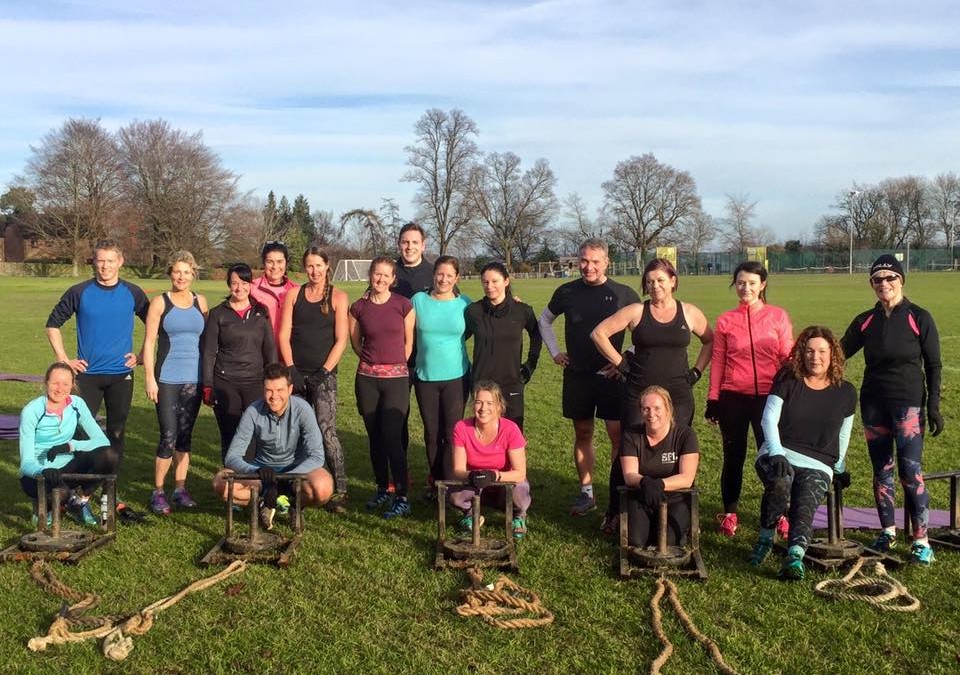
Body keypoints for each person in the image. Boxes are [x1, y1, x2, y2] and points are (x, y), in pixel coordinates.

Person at [591, 258, 713, 534]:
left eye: (660, 280)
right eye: (649, 281)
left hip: (678, 397)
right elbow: (599, 334)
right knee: (628, 450)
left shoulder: (689, 312)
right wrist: (622, 365)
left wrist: (697, 371)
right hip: (639, 394)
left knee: (678, 452)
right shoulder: (636, 311)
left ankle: (675, 513)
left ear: (673, 281)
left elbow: (711, 340)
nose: (655, 285)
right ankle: (615, 512)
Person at [841, 254, 943, 566]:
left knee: (910, 471)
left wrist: (934, 405)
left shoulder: (919, 317)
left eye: (890, 278)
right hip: (874, 403)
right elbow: (838, 353)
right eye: (877, 279)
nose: (884, 284)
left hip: (908, 404)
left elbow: (934, 364)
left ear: (901, 280)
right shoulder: (865, 321)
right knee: (881, 470)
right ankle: (887, 531)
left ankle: (921, 540)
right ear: (871, 284)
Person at [539, 238, 640, 516]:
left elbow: (643, 329)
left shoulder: (624, 293)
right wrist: (556, 352)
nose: (589, 266)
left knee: (618, 437)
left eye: (595, 261)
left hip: (612, 379)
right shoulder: (567, 291)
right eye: (584, 260)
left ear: (607, 262)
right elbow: (544, 320)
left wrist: (625, 359)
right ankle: (587, 494)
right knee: (583, 433)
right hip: (578, 376)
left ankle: (617, 495)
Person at [748, 326, 856, 580]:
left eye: (821, 351)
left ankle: (795, 555)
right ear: (801, 353)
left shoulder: (847, 391)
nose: (815, 357)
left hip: (819, 462)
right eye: (809, 351)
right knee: (781, 483)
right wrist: (776, 453)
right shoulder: (787, 379)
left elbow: (844, 433)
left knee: (805, 501)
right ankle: (765, 538)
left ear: (833, 355)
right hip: (778, 452)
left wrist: (838, 467)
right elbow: (768, 419)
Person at [705, 261, 793, 537]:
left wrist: (791, 392)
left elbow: (787, 356)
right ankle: (730, 513)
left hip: (768, 399)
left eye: (752, 283)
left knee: (772, 457)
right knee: (733, 456)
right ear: (735, 284)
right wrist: (713, 398)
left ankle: (780, 512)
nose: (746, 288)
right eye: (741, 282)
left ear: (762, 285)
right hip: (733, 398)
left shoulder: (777, 316)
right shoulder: (725, 320)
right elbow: (718, 361)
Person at [45, 239, 149, 466]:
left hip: (121, 376)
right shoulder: (79, 292)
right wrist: (63, 361)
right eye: (100, 260)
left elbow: (155, 326)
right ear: (93, 261)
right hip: (86, 376)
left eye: (110, 261)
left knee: (116, 433)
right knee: (80, 432)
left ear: (120, 262)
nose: (105, 266)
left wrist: (141, 356)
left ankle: (108, 492)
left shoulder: (133, 293)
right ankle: (78, 488)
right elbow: (52, 324)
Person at [213, 363, 333, 531]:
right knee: (221, 483)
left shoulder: (303, 409)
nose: (274, 396)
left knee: (323, 487)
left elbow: (317, 455)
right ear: (263, 390)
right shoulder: (253, 411)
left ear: (290, 389)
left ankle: (294, 504)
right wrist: (255, 472)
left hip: (295, 471)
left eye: (280, 390)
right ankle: (264, 502)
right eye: (269, 390)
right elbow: (232, 456)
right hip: (263, 471)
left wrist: (285, 480)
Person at [277, 246, 350, 513]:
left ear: (327, 266)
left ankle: (341, 491)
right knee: (292, 431)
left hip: (324, 376)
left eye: (319, 265)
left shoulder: (339, 297)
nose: (314, 271)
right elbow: (284, 335)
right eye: (309, 266)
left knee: (325, 430)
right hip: (296, 374)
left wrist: (324, 372)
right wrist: (291, 368)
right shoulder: (294, 295)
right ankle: (288, 488)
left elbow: (342, 340)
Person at [142, 251, 208, 515]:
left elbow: (207, 342)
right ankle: (157, 491)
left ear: (193, 274)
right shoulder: (160, 302)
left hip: (194, 378)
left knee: (185, 437)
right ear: (170, 273)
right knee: (168, 436)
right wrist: (150, 378)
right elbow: (149, 343)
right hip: (167, 378)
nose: (181, 276)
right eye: (177, 272)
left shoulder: (200, 301)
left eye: (186, 272)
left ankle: (180, 489)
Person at [349, 257, 416, 519]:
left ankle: (401, 495)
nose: (381, 279)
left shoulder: (404, 305)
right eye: (377, 274)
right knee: (374, 436)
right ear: (370, 275)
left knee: (392, 436)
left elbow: (409, 344)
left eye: (386, 275)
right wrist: (372, 363)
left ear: (393, 279)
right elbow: (356, 342)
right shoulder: (358, 307)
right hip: (367, 379)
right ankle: (381, 488)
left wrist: (394, 365)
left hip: (396, 379)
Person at [19, 362, 119, 527]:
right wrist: (42, 470)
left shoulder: (76, 404)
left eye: (65, 384)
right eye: (55, 383)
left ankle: (79, 501)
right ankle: (45, 508)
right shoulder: (32, 411)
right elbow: (26, 464)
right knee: (62, 493)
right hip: (37, 474)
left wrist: (70, 446)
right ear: (46, 383)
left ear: (72, 385)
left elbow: (102, 442)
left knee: (109, 455)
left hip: (67, 468)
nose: (60, 389)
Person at [202, 263, 276, 461]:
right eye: (234, 283)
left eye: (244, 282)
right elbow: (209, 352)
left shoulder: (261, 312)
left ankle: (255, 480)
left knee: (256, 431)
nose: (239, 287)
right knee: (231, 433)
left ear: (250, 284)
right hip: (226, 382)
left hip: (255, 381)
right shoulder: (218, 314)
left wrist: (274, 380)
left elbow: (269, 349)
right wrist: (208, 385)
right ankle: (230, 480)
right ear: (228, 285)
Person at [411, 255, 471, 497]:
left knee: (451, 432)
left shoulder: (465, 303)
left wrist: (513, 299)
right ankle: (435, 482)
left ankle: (450, 484)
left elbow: (488, 317)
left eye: (449, 275)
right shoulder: (418, 300)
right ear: (433, 274)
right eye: (440, 274)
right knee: (431, 433)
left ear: (456, 278)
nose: (443, 279)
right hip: (425, 376)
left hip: (457, 376)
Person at [464, 261, 542, 431]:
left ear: (506, 281)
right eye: (485, 282)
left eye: (495, 281)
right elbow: (458, 337)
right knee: (484, 435)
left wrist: (531, 364)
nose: (489, 286)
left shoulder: (522, 311)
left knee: (513, 436)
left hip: (511, 383)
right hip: (481, 383)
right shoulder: (473, 311)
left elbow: (536, 334)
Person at [619, 386, 699, 549]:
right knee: (636, 542)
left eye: (657, 408)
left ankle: (680, 529)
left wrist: (660, 485)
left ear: (668, 409)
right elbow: (629, 474)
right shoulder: (631, 436)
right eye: (646, 409)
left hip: (676, 498)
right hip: (642, 496)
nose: (651, 414)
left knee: (669, 543)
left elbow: (687, 477)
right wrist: (646, 483)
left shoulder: (685, 435)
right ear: (641, 412)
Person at [450, 381, 531, 539]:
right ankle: (470, 515)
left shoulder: (510, 429)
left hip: (504, 480)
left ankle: (519, 517)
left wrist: (494, 476)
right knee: (454, 497)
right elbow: (458, 470)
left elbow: (520, 473)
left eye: (489, 403)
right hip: (477, 480)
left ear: (499, 406)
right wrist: (472, 476)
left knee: (520, 493)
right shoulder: (461, 427)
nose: (483, 408)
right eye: (479, 402)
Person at [393, 223, 435, 475]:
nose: (409, 247)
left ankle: (436, 476)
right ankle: (400, 473)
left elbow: (456, 307)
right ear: (399, 244)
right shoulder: (389, 272)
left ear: (423, 244)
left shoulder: (433, 272)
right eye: (405, 242)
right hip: (396, 359)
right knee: (398, 419)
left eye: (414, 242)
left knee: (433, 423)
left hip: (429, 359)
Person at [250, 240, 299, 342]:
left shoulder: (297, 290)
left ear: (286, 263)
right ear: (264, 262)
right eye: (270, 262)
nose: (275, 267)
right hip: (260, 354)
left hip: (289, 353)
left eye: (280, 262)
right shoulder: (251, 288)